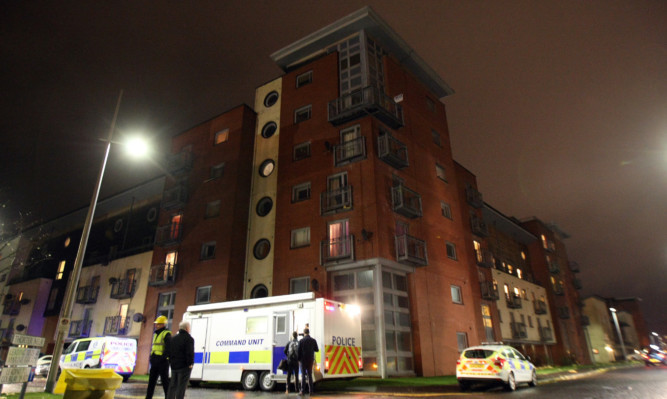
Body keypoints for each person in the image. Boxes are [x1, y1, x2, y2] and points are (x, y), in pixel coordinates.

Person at [167, 321, 195, 399]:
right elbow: (189, 353)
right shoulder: (189, 339)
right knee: (181, 387)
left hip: (174, 366)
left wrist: (171, 362)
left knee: (172, 386)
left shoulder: (173, 338)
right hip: (184, 367)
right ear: (187, 328)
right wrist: (190, 364)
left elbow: (170, 352)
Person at [146, 315, 171, 399]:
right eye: (156, 324)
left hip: (162, 362)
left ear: (163, 324)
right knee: (151, 382)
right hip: (155, 360)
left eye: (158, 324)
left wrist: (163, 358)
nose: (156, 325)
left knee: (165, 382)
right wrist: (152, 358)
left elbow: (169, 348)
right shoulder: (156, 334)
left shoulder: (166, 334)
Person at [297, 327, 319, 395]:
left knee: (303, 375)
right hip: (310, 360)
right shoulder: (313, 340)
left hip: (303, 360)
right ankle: (311, 391)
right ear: (309, 333)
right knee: (310, 375)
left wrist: (298, 359)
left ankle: (302, 391)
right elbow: (317, 350)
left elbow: (298, 351)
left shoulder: (301, 341)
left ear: (304, 333)